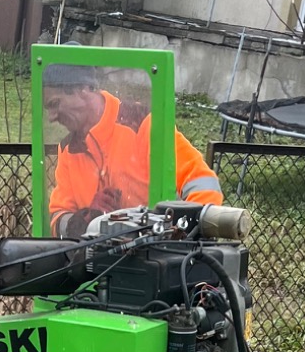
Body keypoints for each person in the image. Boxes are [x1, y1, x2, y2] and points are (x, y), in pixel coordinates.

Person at [45, 65, 222, 237]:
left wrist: (179, 234)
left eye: (55, 104)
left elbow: (202, 182)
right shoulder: (68, 149)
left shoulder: (143, 124)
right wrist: (87, 219)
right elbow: (57, 216)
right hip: (95, 254)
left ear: (82, 90)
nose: (51, 117)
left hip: (155, 250)